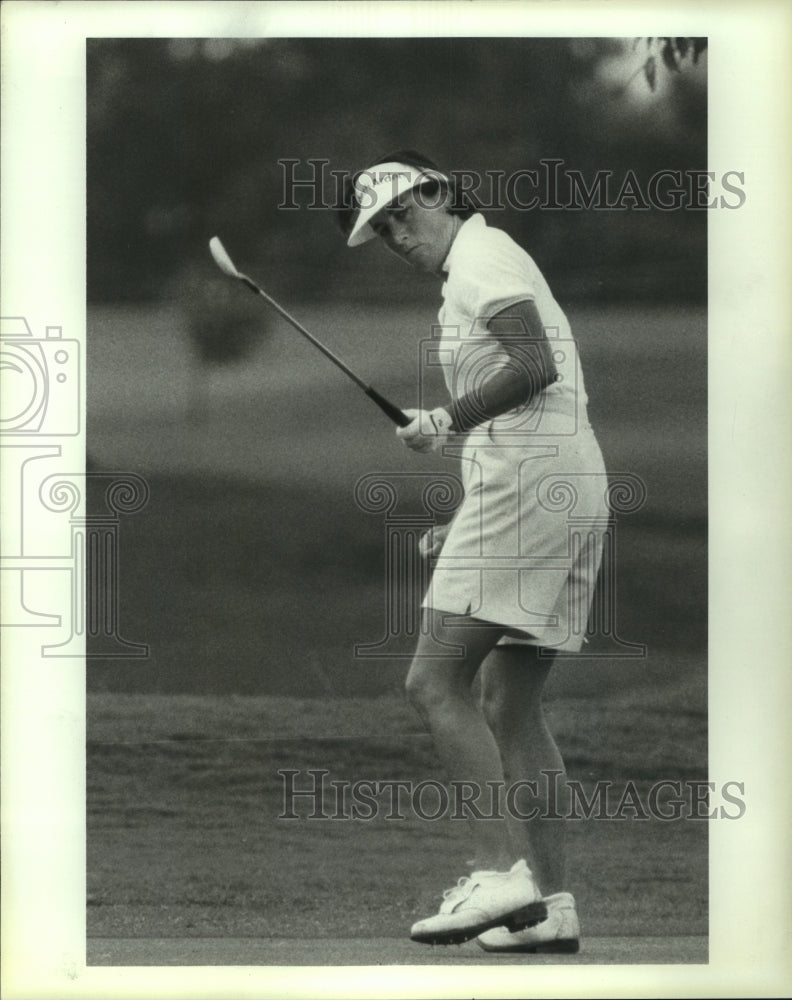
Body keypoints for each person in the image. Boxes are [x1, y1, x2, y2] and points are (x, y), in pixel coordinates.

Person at [337, 150, 609, 953]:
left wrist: (446, 419)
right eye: (382, 228)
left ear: (440, 193)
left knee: (433, 680)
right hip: (558, 482)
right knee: (509, 705)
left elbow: (534, 366)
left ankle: (499, 876)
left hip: (533, 489)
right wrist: (464, 516)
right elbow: (528, 403)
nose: (396, 233)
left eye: (403, 212)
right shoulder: (481, 263)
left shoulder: (479, 259)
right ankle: (549, 906)